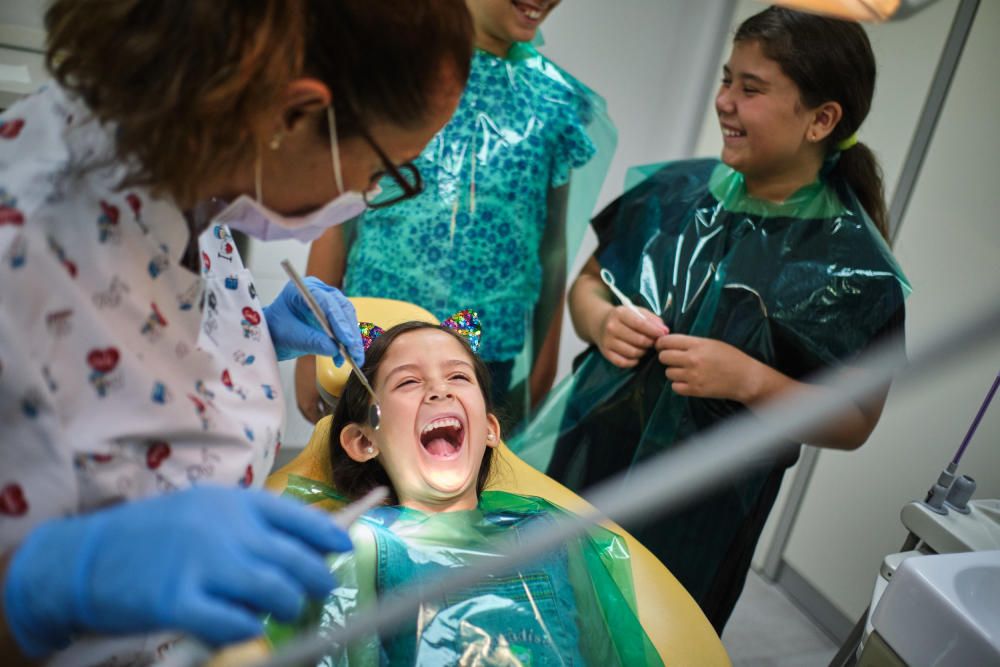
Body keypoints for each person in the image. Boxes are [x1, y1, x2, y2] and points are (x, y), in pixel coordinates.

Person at [0, 1, 472, 664]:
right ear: (292, 115)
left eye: (459, 375)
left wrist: (254, 335)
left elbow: (143, 353)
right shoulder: (20, 247)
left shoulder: (192, 159)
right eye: (384, 171)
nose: (368, 195)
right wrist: (60, 578)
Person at [509, 6, 909, 632]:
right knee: (543, 615)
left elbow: (856, 419)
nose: (725, 101)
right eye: (726, 80)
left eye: (750, 89)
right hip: (589, 461)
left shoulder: (852, 266)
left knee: (645, 637)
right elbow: (589, 284)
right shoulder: (673, 193)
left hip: (702, 514)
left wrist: (750, 380)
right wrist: (600, 322)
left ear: (821, 119)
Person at [265, 321, 662, 665]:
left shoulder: (554, 534)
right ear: (364, 441)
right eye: (408, 381)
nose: (440, 392)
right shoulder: (363, 544)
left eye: (458, 377)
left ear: (490, 429)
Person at [294, 0, 615, 425]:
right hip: (370, 342)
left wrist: (543, 365)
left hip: (485, 359)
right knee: (357, 476)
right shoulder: (393, 72)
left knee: (455, 485)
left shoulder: (555, 106)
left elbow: (552, 247)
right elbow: (340, 216)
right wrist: (310, 348)